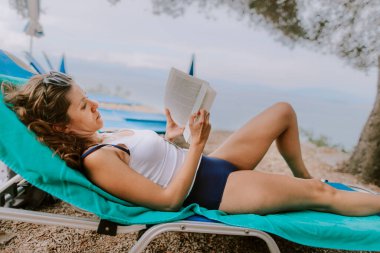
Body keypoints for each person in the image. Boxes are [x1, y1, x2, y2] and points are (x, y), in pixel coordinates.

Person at [2, 71, 380, 216]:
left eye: (89, 96)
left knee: (282, 111)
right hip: (214, 188)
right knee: (321, 193)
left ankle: (302, 175)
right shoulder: (98, 161)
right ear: (63, 127)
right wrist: (196, 146)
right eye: (84, 106)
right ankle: (313, 188)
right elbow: (169, 200)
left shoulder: (105, 135)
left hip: (210, 164)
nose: (96, 105)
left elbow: (157, 161)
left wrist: (176, 139)